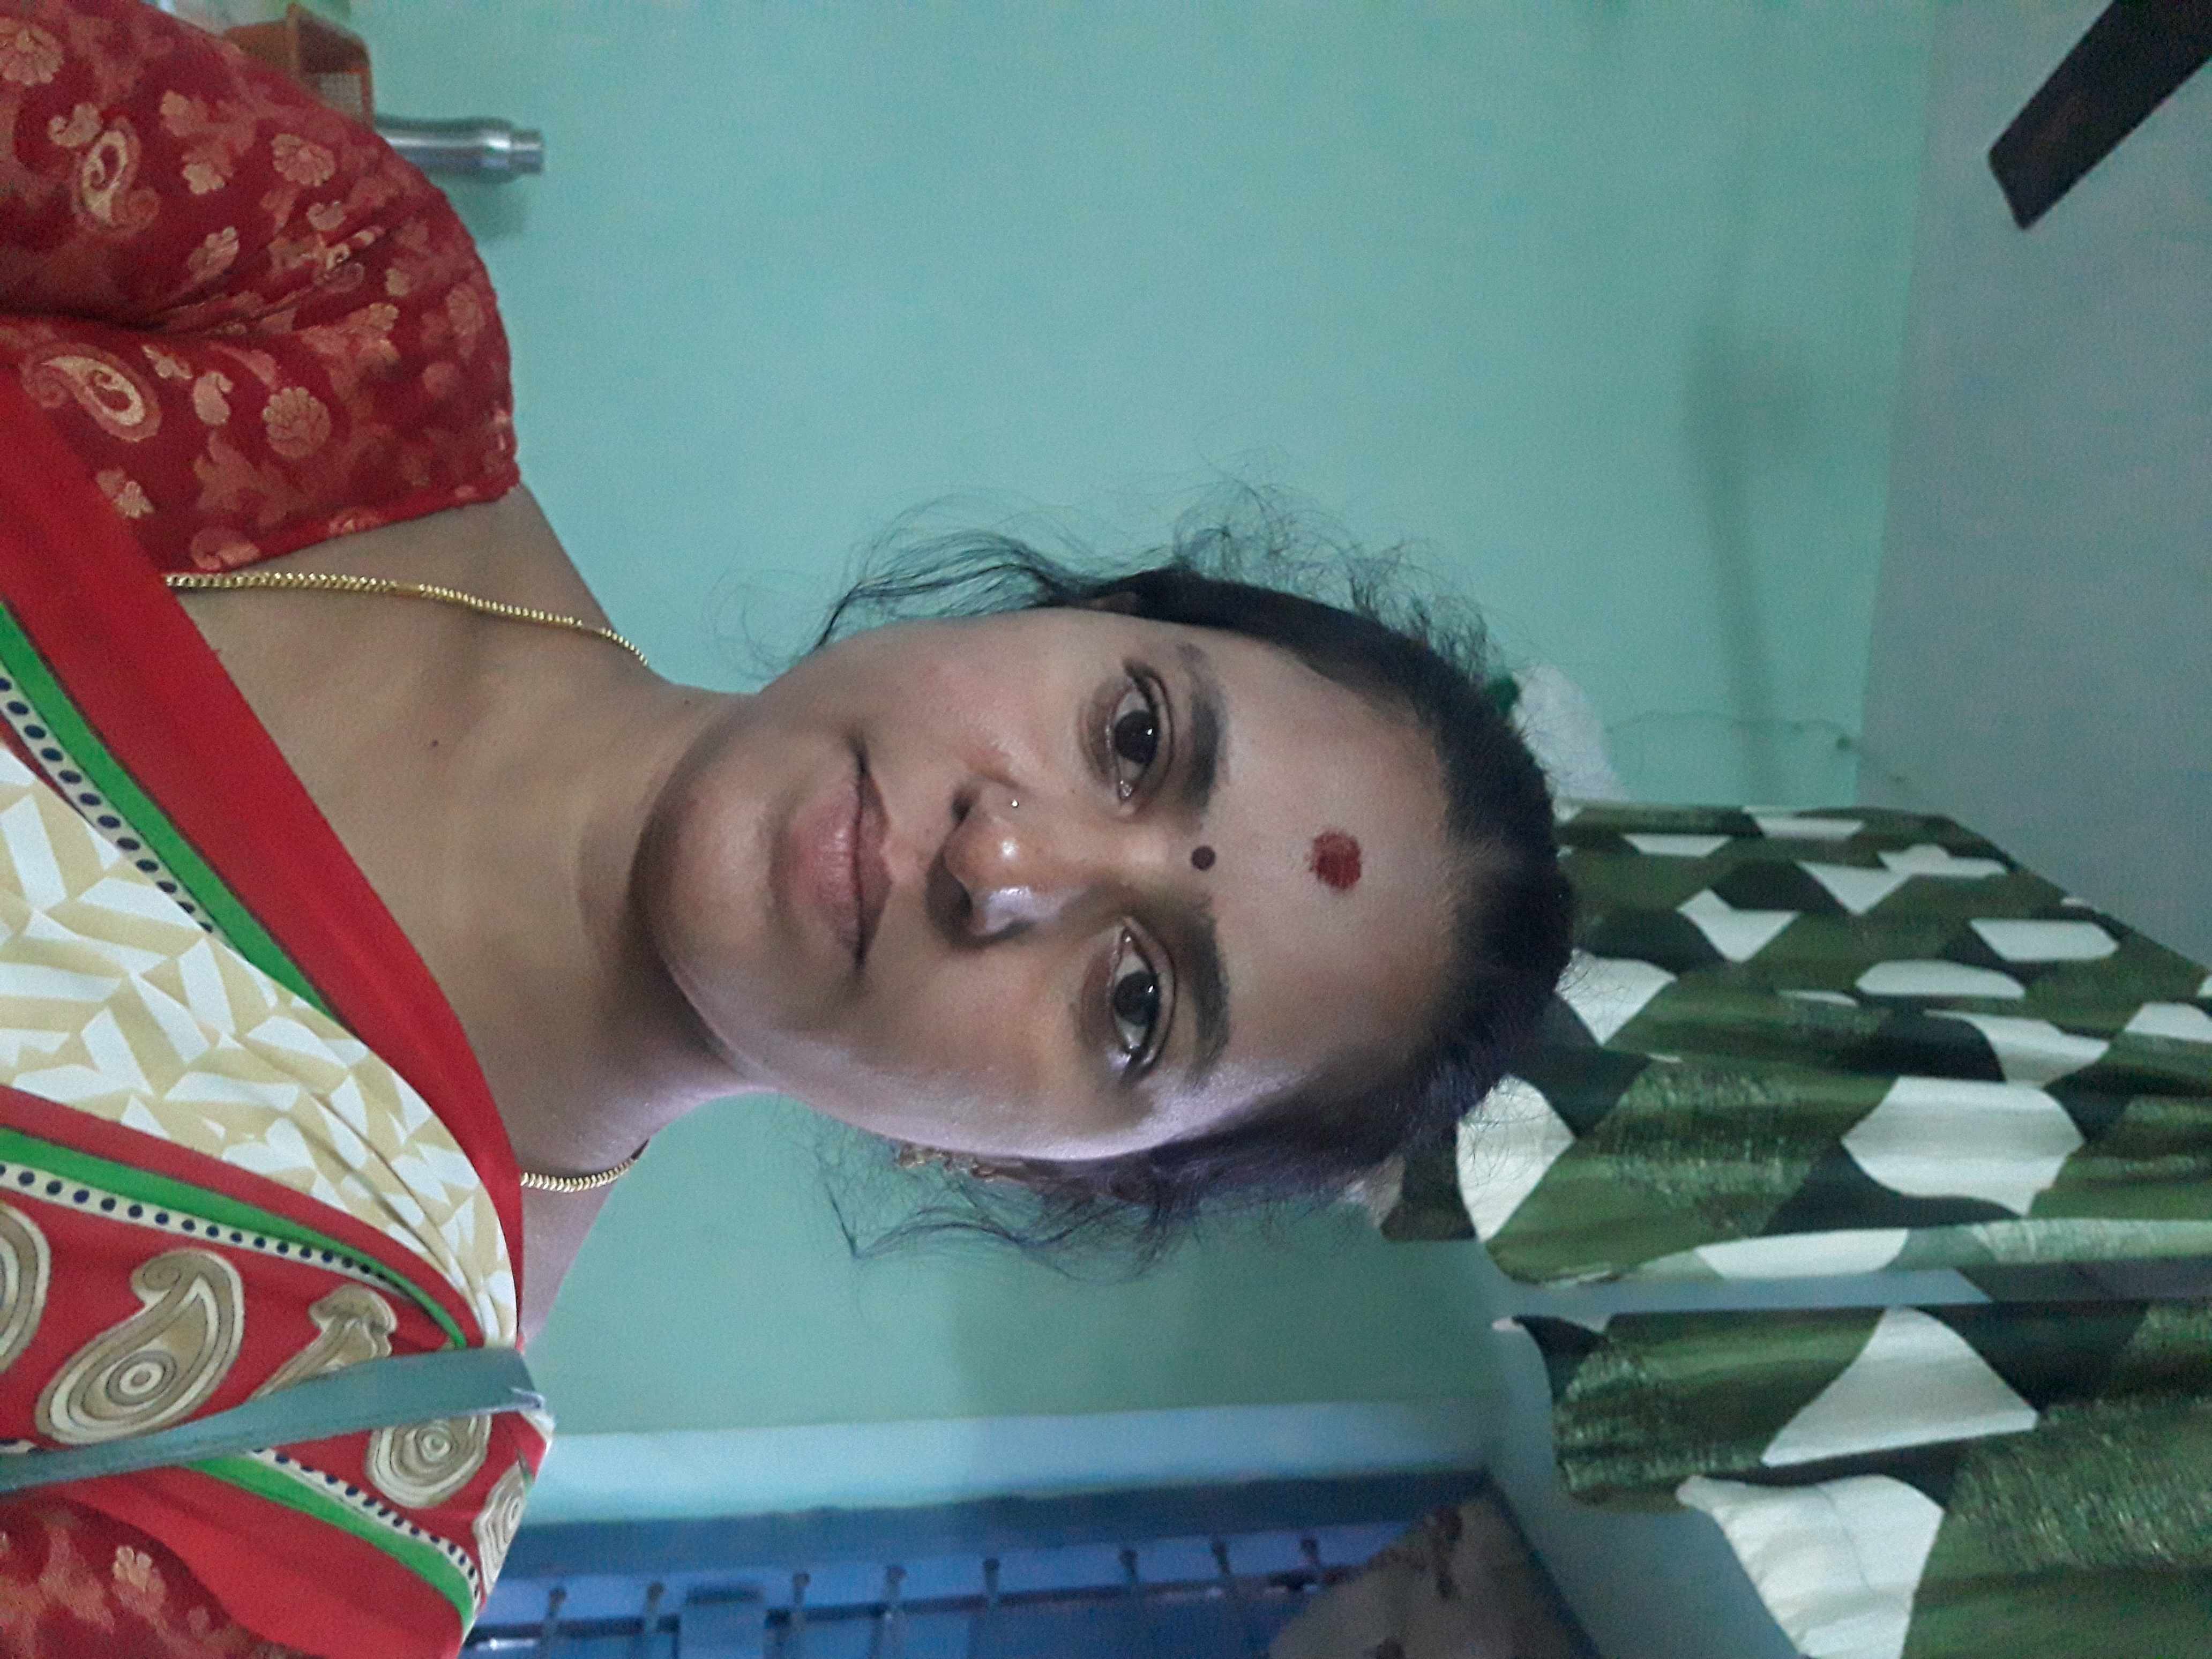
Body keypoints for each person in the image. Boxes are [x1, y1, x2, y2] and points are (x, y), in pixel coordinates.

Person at [0, 3, 1572, 1653]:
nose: (1003, 863)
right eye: (1134, 737)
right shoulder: (345, 313)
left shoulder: (321, 1499)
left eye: (1135, 1001)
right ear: (1061, 610)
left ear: (1036, 1167)